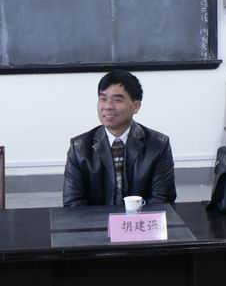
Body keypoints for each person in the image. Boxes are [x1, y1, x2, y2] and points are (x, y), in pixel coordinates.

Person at [63, 70, 176, 206]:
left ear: (136, 106)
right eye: (103, 99)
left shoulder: (158, 145)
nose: (108, 106)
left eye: (117, 100)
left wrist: (132, 216)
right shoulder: (79, 147)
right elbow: (73, 203)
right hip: (94, 220)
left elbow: (162, 199)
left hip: (140, 218)